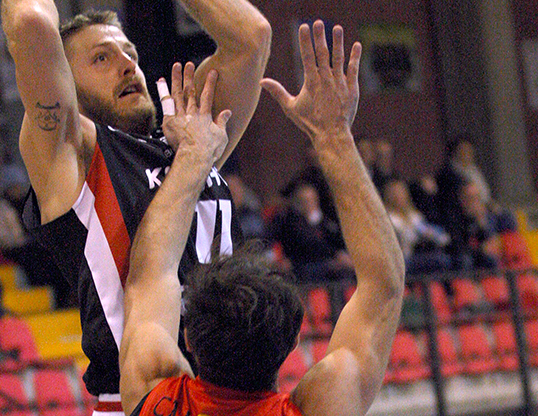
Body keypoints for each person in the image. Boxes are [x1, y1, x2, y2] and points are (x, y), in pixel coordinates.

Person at [0, 0, 271, 411]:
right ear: (66, 80)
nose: (127, 65)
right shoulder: (73, 152)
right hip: (141, 396)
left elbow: (250, 38)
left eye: (129, 52)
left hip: (233, 395)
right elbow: (37, 27)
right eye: (102, 58)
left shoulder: (192, 140)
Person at [119, 21, 405, 415]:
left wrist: (192, 158)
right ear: (291, 344)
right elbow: (384, 284)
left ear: (187, 336)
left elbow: (150, 274)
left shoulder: (157, 394)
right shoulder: (321, 404)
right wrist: (334, 136)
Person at [267, 181, 352, 283]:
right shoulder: (291, 224)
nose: (309, 204)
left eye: (311, 200)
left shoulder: (327, 223)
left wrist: (340, 256)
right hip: (302, 268)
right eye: (304, 201)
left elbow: (336, 243)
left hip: (328, 266)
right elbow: (302, 246)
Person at [382, 177, 450, 275]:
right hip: (403, 258)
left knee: (442, 259)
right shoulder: (389, 218)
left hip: (419, 253)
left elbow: (430, 232)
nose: (399, 197)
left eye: (401, 192)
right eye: (395, 193)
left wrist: (433, 235)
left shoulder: (414, 215)